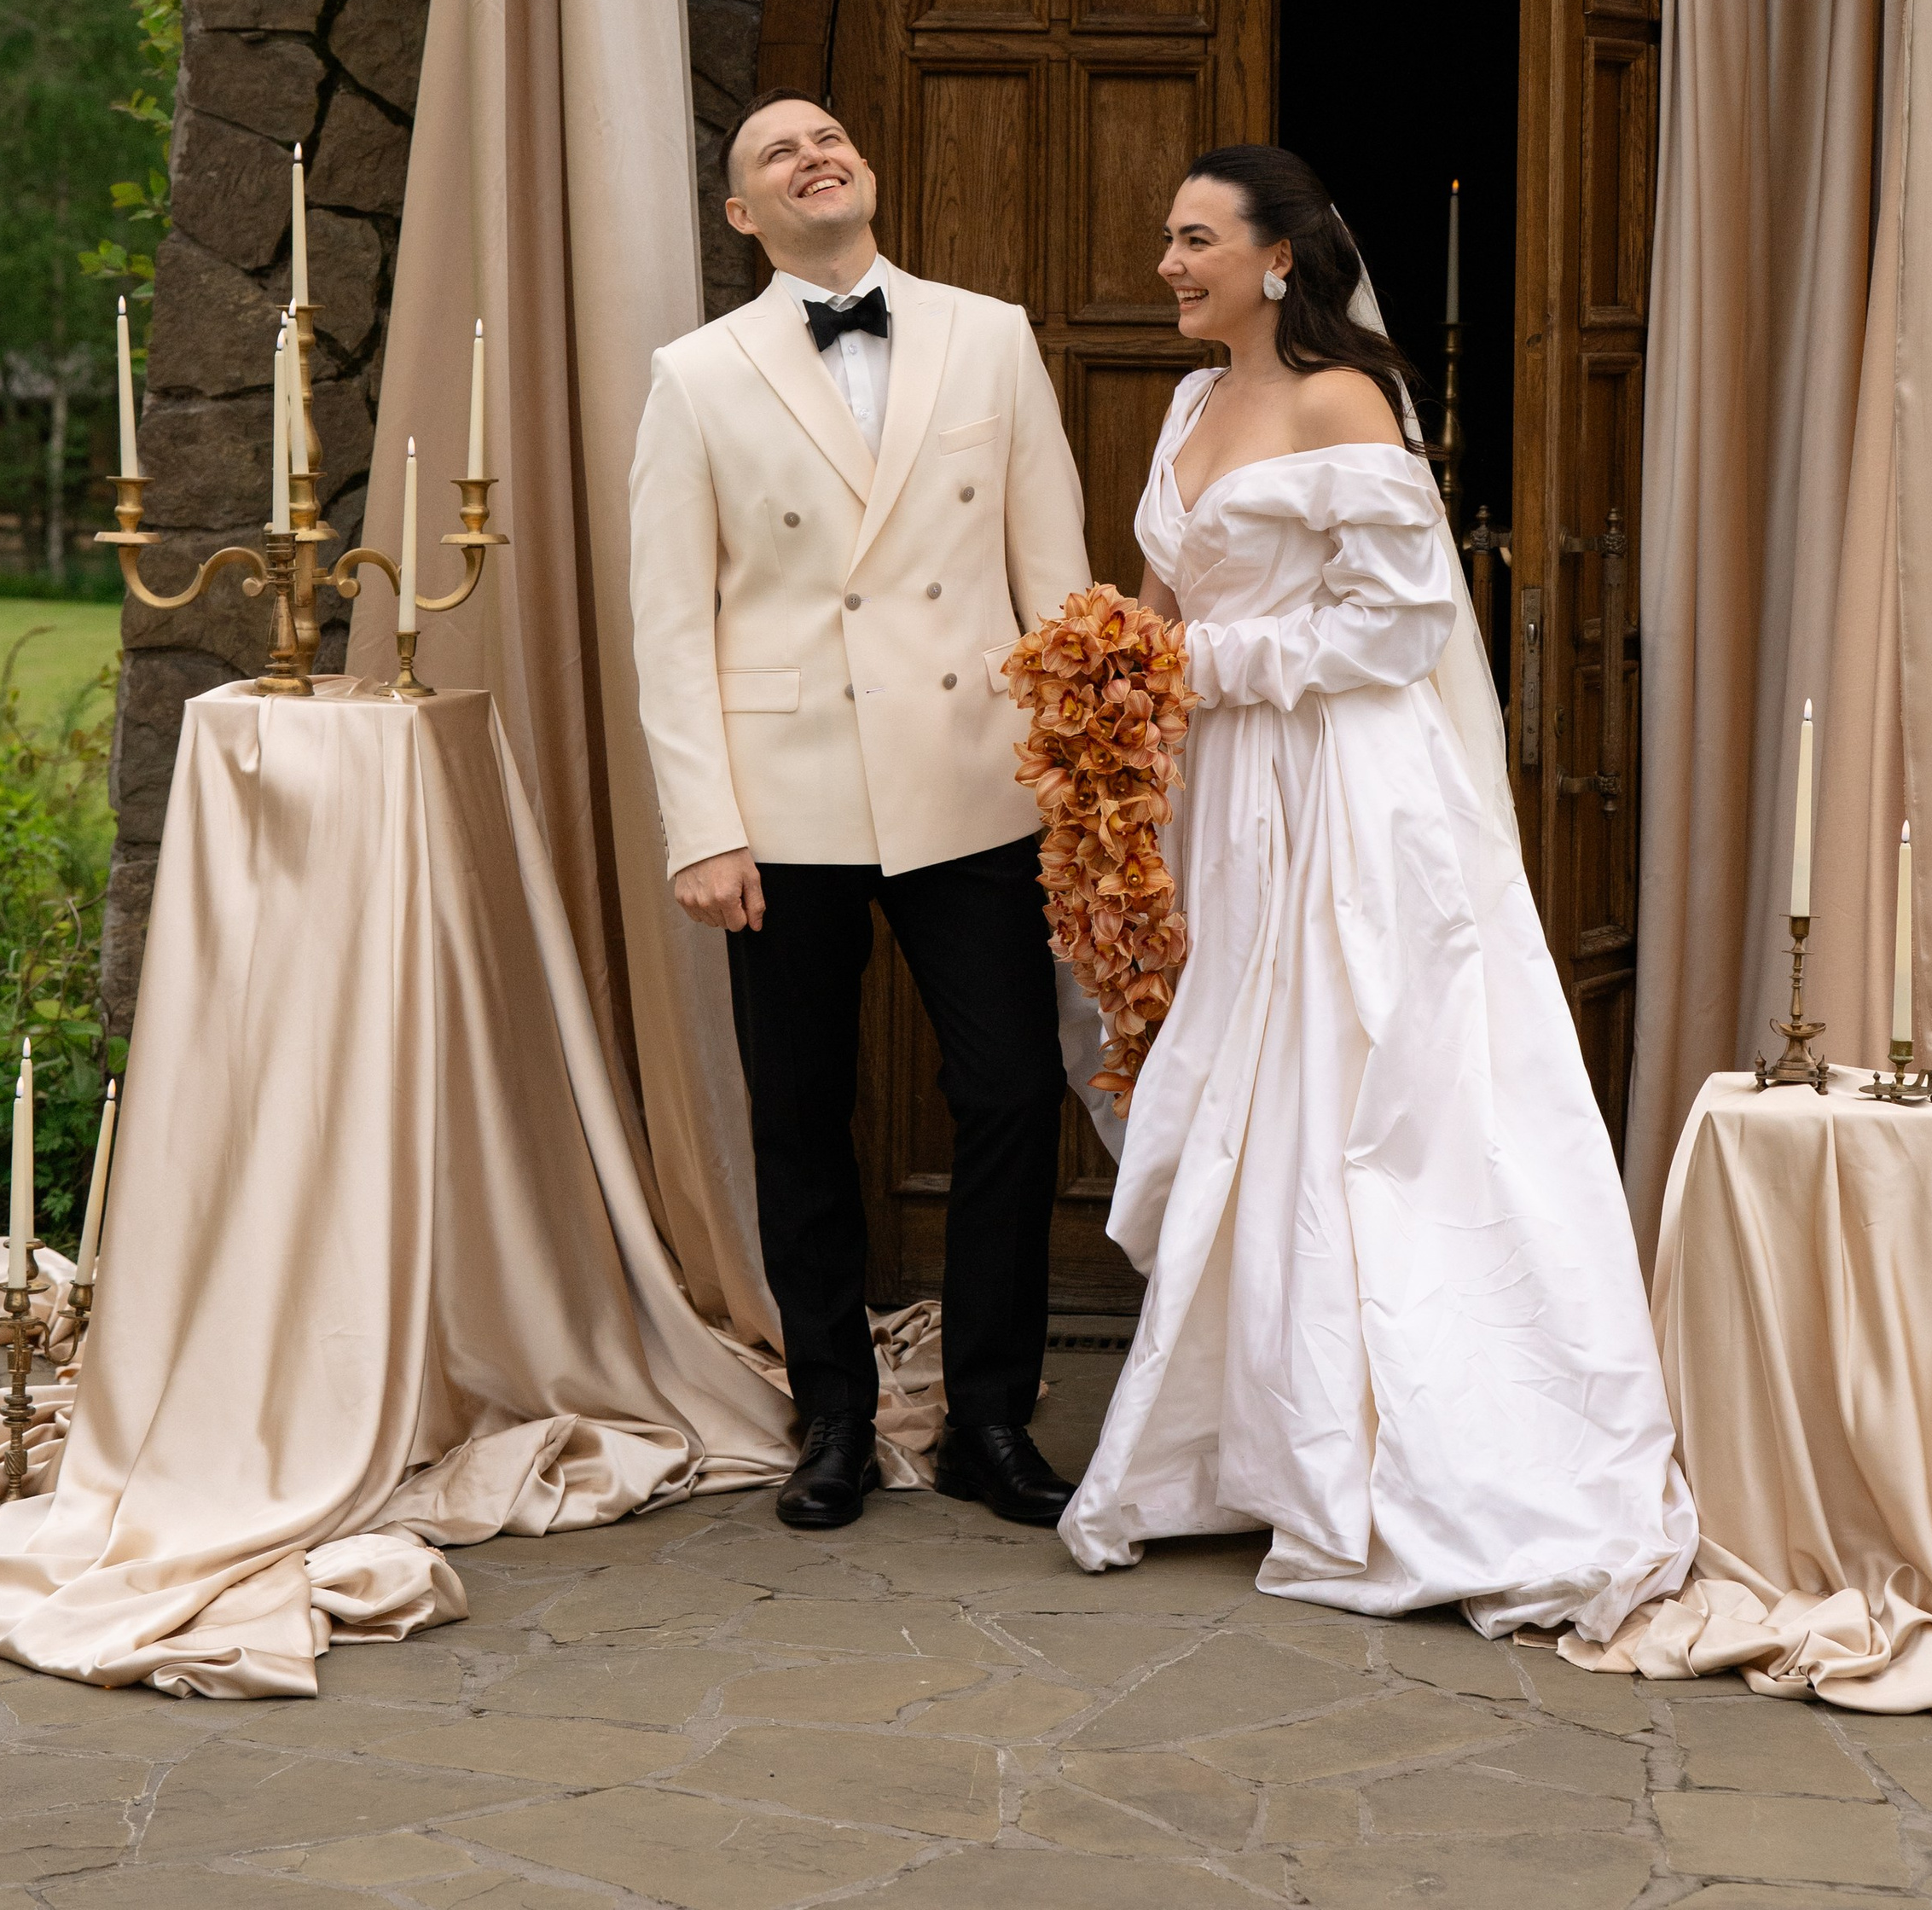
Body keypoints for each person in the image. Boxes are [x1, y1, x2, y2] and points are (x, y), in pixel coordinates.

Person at [1059, 145, 1696, 1630]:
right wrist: (1115, 693)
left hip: (1347, 789)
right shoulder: (1190, 404)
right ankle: (1251, 1440)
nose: (1168, 264)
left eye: (1196, 240)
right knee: (1250, 1082)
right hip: (1230, 793)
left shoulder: (1345, 400)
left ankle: (1413, 1447)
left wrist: (1192, 667)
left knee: (1360, 1089)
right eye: (1169, 238)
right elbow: (1162, 596)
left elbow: (1401, 625)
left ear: (1279, 258)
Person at [628, 90, 1091, 1533]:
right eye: (779, 152)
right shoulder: (696, 375)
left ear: (865, 171)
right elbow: (669, 624)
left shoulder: (990, 335)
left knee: (1013, 1091)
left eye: (829, 139)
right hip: (786, 800)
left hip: (973, 778)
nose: (814, 157)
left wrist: (1084, 777)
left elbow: (1052, 575)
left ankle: (989, 1418)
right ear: (742, 213)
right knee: (800, 1110)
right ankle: (831, 1411)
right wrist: (703, 824)